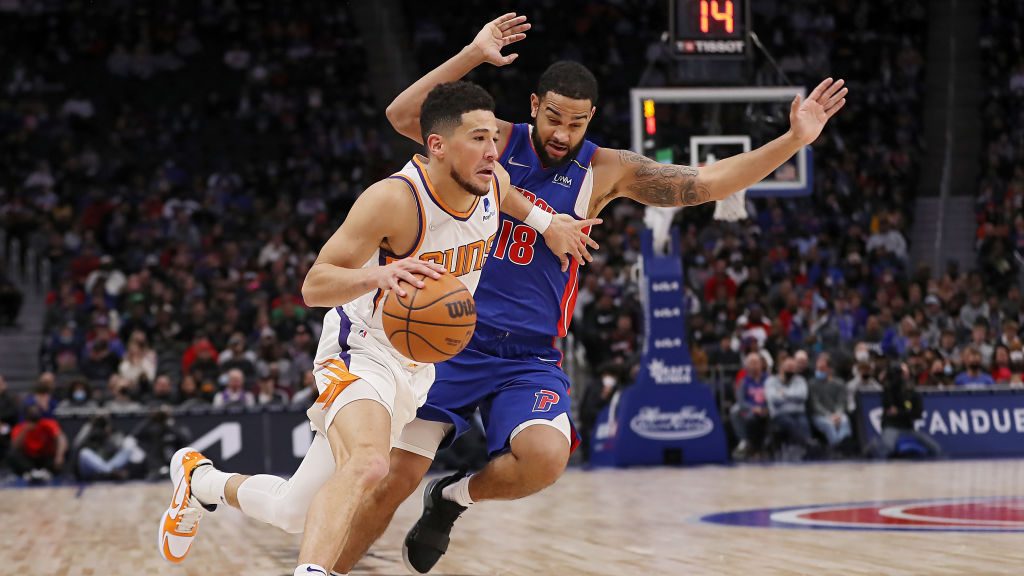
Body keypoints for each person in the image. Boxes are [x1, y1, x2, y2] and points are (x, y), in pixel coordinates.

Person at [331, 13, 848, 575]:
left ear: (591, 120)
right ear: (533, 106)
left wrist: (794, 139)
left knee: (547, 459)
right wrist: (474, 54)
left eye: (575, 123)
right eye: (553, 118)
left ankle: (452, 498)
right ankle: (327, 571)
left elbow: (707, 183)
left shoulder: (606, 171)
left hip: (529, 354)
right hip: (450, 338)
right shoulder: (491, 142)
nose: (562, 133)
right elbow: (405, 115)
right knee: (391, 483)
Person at [155, 81, 596, 576]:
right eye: (478, 139)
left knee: (291, 511)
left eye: (494, 139)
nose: (494, 152)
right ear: (436, 145)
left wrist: (546, 221)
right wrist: (379, 274)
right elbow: (313, 285)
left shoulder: (491, 183)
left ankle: (199, 480)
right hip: (361, 349)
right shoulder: (394, 199)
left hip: (417, 366)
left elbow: (511, 197)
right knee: (369, 464)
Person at [808, 352, 852, 450]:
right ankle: (837, 448)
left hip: (837, 414)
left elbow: (841, 402)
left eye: (822, 368)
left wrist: (838, 414)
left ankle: (842, 446)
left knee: (845, 420)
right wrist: (829, 415)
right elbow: (815, 404)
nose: (819, 371)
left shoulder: (839, 383)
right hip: (820, 415)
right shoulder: (812, 384)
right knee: (829, 424)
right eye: (818, 368)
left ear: (829, 369)